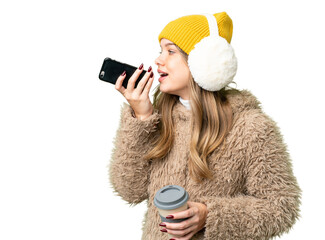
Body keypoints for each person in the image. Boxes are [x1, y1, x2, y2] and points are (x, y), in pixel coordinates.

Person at [109, 12, 301, 240]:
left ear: (203, 62)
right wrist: (141, 120)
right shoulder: (156, 119)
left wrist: (209, 215)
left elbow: (282, 207)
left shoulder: (251, 128)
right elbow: (129, 190)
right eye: (160, 51)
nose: (159, 60)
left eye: (171, 51)